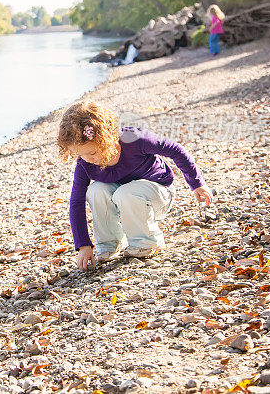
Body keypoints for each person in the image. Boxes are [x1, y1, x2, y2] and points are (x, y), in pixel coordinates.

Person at [57, 100, 213, 271]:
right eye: (81, 155)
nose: (88, 159)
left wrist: (197, 183)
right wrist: (83, 245)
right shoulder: (85, 163)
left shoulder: (135, 140)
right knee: (96, 190)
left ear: (107, 138)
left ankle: (146, 242)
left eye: (92, 152)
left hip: (158, 193)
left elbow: (176, 150)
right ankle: (109, 243)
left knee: (126, 192)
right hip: (124, 199)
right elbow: (76, 202)